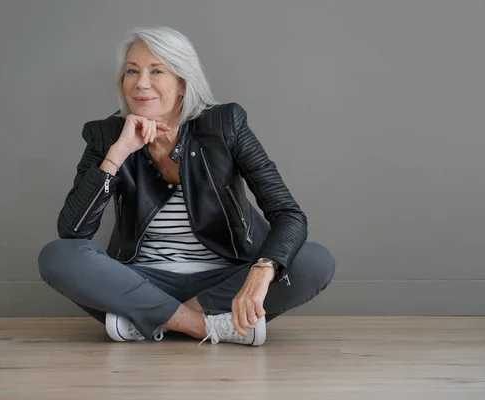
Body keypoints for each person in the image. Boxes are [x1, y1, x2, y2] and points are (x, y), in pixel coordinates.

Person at [37, 27, 335, 346]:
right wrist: (119, 152)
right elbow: (73, 232)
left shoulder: (224, 125)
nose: (141, 83)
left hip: (223, 283)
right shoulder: (106, 135)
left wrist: (262, 271)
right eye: (131, 72)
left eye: (157, 71)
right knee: (58, 255)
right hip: (141, 282)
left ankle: (151, 321)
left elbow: (288, 214)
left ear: (182, 83)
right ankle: (203, 327)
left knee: (314, 260)